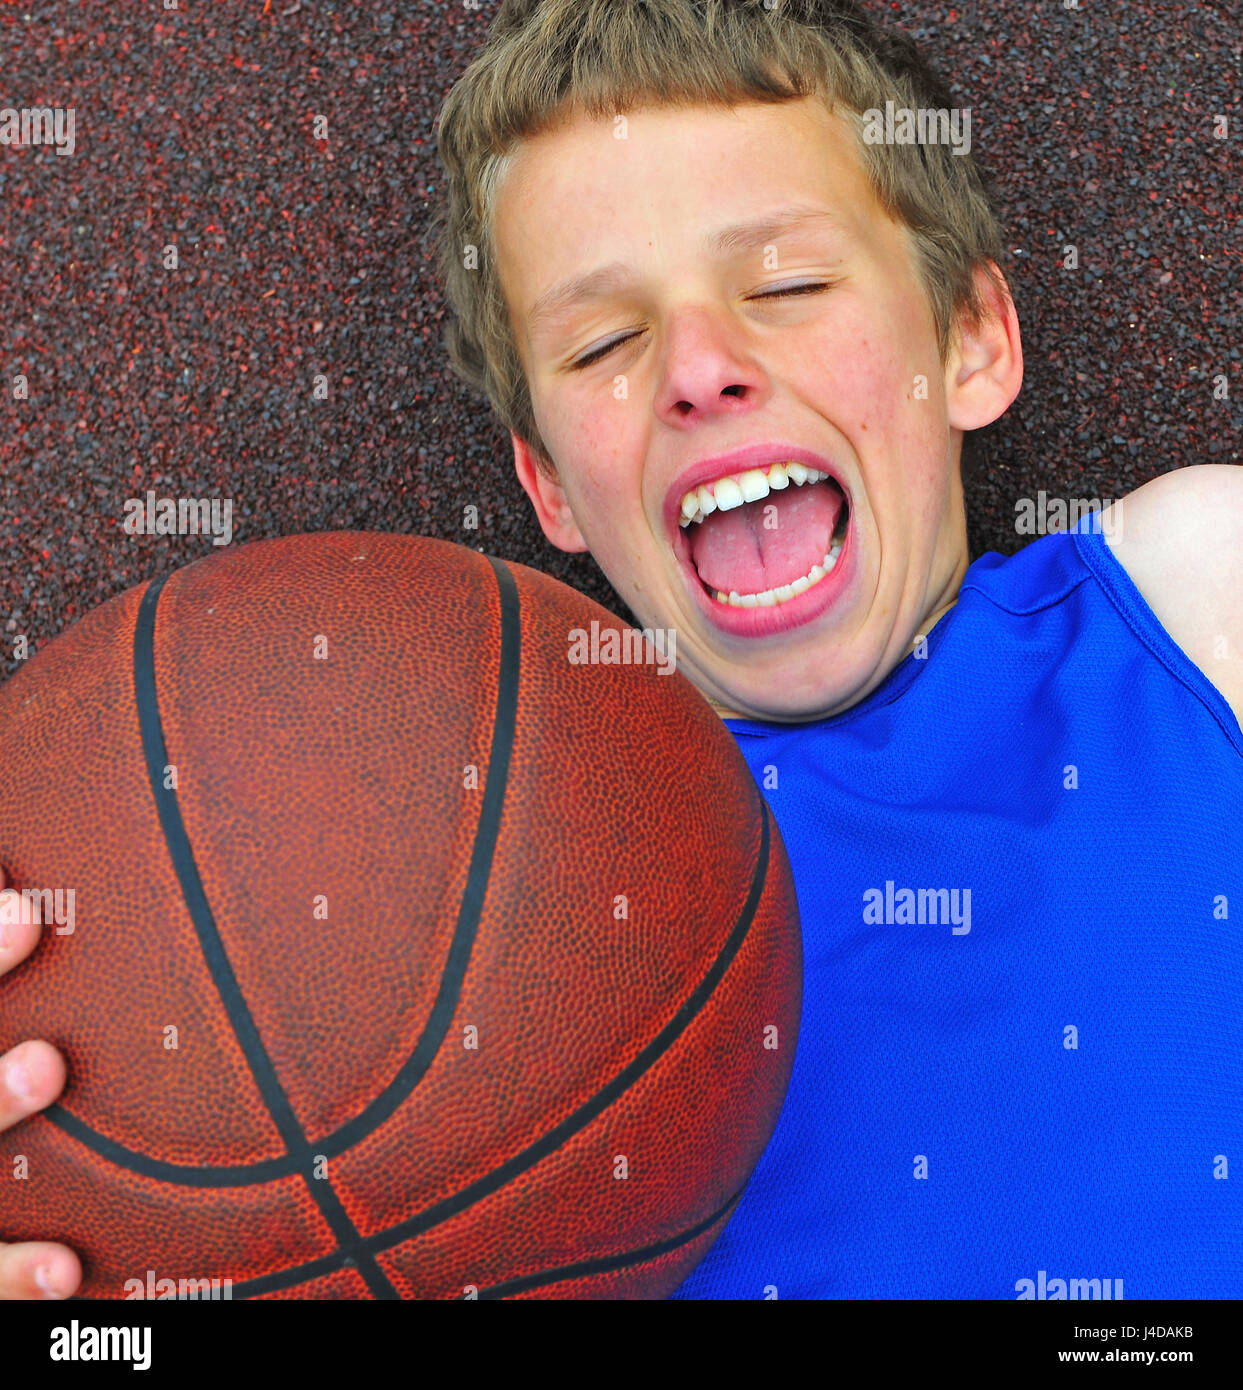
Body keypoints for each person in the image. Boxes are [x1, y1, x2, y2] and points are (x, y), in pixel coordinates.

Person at [3, 0, 1239, 1298]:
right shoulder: (450, 888)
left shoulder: (1194, 601)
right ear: (548, 487)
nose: (700, 364)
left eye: (788, 284)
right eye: (603, 342)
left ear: (971, 342)